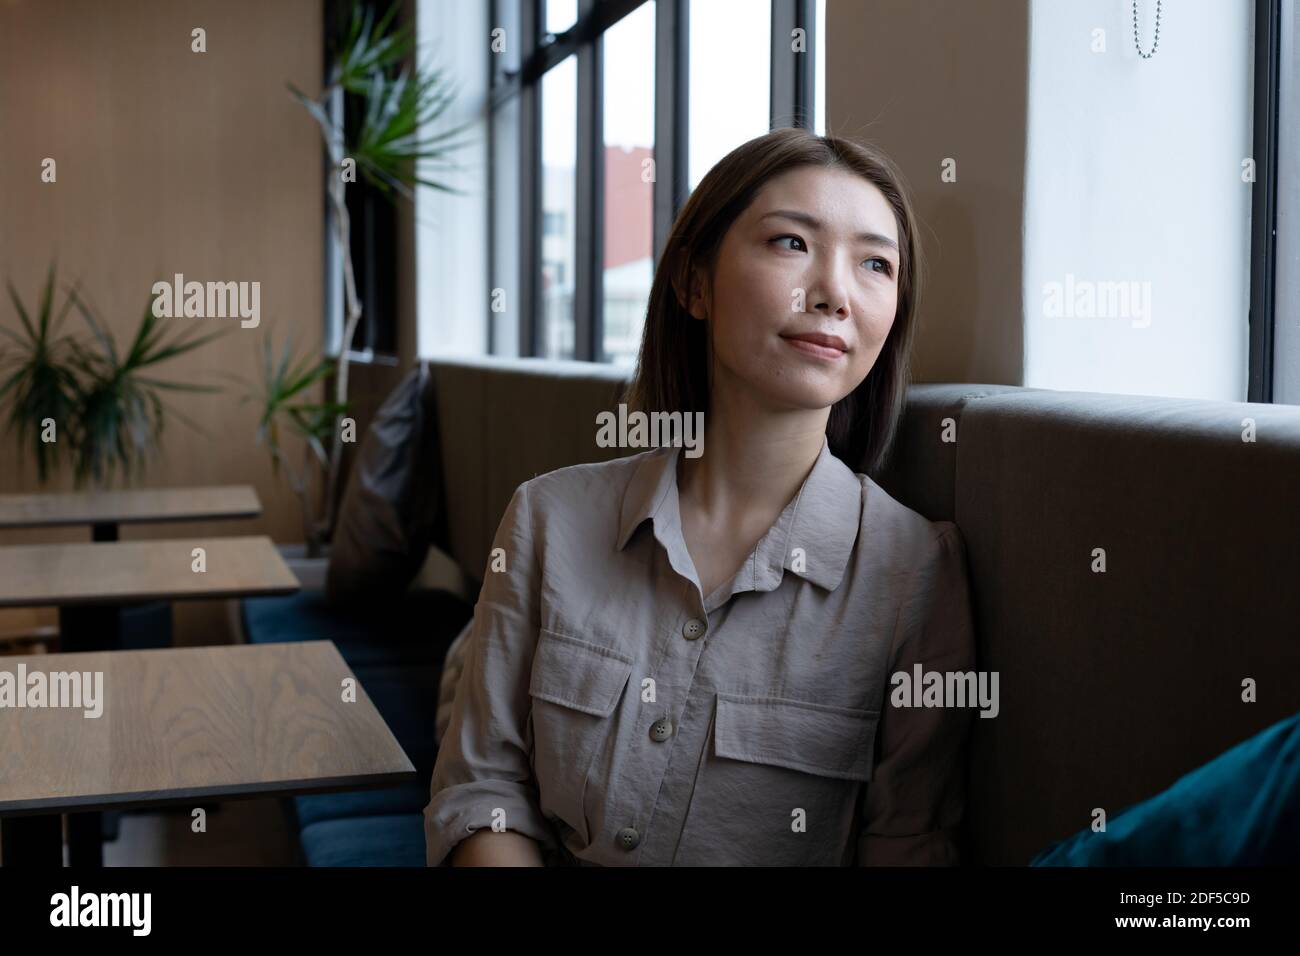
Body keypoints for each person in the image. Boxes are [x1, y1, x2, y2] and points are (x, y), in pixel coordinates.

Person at [424, 126, 977, 866]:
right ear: (693, 283)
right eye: (791, 243)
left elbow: (906, 844)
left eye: (876, 263)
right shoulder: (547, 520)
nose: (834, 294)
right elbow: (481, 792)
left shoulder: (913, 574)